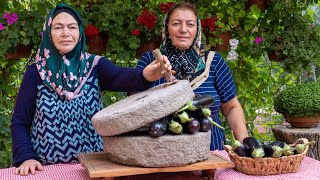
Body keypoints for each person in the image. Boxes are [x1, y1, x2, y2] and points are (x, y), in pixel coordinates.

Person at [10, 4, 173, 176]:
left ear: (79, 32)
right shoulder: (35, 73)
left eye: (72, 27)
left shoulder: (94, 66)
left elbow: (124, 77)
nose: (66, 33)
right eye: (58, 27)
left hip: (94, 169)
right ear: (48, 33)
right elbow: (20, 121)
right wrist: (26, 157)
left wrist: (146, 74)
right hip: (46, 170)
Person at [137, 2, 249, 150]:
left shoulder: (213, 62)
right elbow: (135, 107)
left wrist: (246, 144)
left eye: (190, 24)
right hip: (160, 156)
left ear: (197, 29)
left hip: (211, 156)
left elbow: (231, 108)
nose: (183, 30)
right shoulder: (150, 62)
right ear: (166, 28)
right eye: (176, 23)